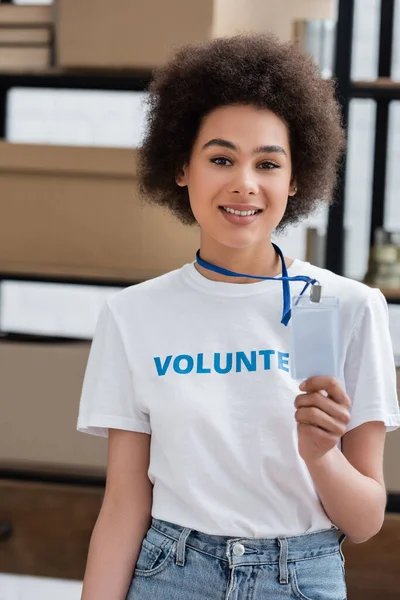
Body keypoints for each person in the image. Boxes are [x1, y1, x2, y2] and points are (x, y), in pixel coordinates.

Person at [77, 33, 400, 600]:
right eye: (221, 158)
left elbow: (367, 519)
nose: (245, 183)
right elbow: (125, 505)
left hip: (302, 577)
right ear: (182, 167)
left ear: (296, 179)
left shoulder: (350, 308)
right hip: (169, 574)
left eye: (268, 163)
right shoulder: (132, 316)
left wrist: (322, 456)